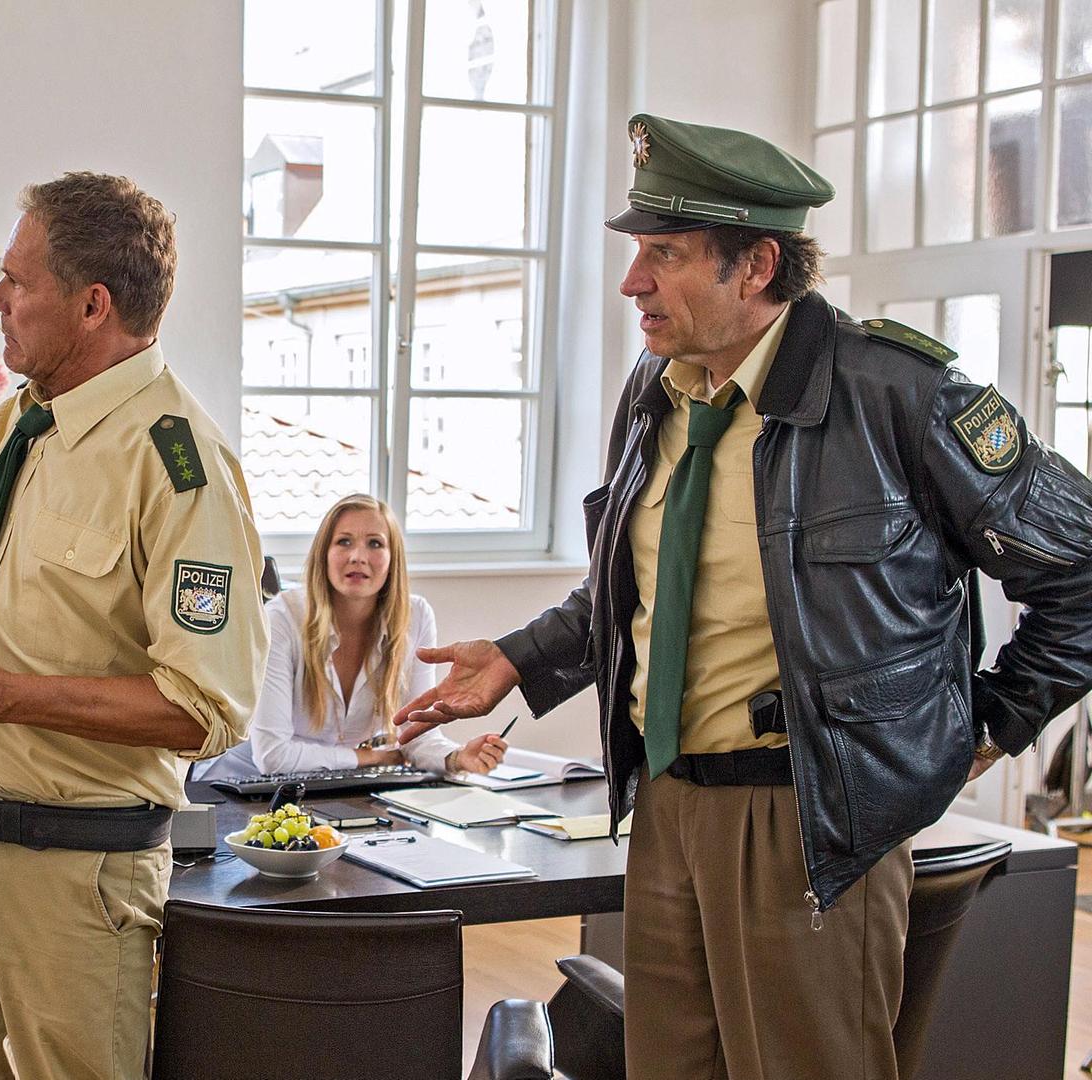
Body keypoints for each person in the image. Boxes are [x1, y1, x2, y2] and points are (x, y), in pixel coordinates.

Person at [394, 113, 1092, 1080]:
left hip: (807, 816)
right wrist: (517, 657)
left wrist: (977, 731)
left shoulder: (899, 394)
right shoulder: (658, 389)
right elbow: (638, 587)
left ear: (756, 265)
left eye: (665, 253)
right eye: (639, 251)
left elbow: (1083, 574)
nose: (634, 280)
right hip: (667, 804)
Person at [0, 171, 268, 1080]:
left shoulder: (181, 466)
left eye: (17, 281)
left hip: (75, 872)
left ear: (93, 304)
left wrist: (0, 696)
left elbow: (204, 710)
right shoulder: (25, 415)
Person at [208, 493, 506, 780]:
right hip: (243, 787)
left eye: (375, 543)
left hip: (339, 788)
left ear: (393, 559)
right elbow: (273, 756)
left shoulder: (415, 617)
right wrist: (368, 758)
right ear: (324, 553)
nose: (358, 557)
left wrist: (457, 757)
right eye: (344, 542)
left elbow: (415, 738)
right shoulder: (282, 619)